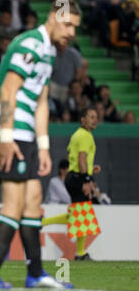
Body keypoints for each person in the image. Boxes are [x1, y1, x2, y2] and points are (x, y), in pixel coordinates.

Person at [0, 0, 81, 289]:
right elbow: (9, 90)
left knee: (34, 202)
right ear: (53, 16)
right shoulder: (30, 44)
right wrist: (6, 137)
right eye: (68, 24)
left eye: (75, 27)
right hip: (10, 134)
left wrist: (45, 146)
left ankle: (35, 273)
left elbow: (41, 102)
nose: (72, 33)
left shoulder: (49, 51)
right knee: (13, 206)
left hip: (28, 138)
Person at [42, 107, 102, 261]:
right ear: (83, 120)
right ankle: (80, 253)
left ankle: (44, 222)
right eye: (91, 116)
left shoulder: (76, 134)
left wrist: (89, 169)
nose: (94, 119)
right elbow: (81, 158)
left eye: (95, 117)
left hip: (73, 176)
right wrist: (86, 179)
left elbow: (72, 157)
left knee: (80, 214)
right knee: (82, 214)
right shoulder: (85, 136)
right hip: (78, 177)